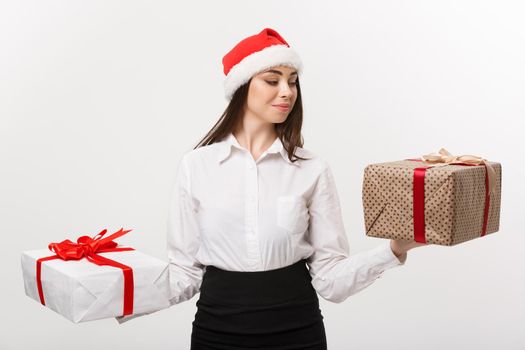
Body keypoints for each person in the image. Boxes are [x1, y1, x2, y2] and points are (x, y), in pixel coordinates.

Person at [118, 28, 426, 349]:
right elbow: (184, 275)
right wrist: (116, 294)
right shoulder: (196, 166)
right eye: (272, 80)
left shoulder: (312, 168)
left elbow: (331, 280)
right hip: (217, 332)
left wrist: (394, 250)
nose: (287, 92)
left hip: (297, 331)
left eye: (292, 81)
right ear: (241, 86)